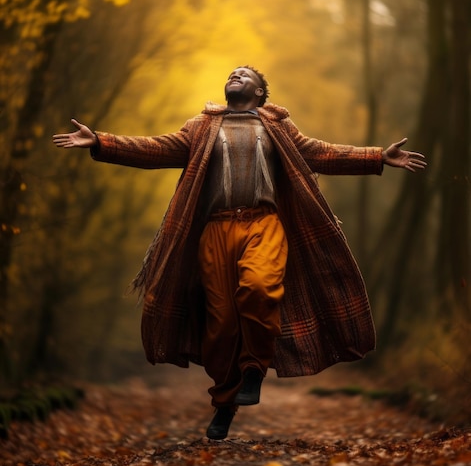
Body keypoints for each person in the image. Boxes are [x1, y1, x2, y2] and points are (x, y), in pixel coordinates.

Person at [53, 65, 426, 440]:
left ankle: (253, 370)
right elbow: (155, 148)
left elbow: (322, 153)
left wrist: (378, 157)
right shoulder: (200, 127)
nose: (235, 75)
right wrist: (100, 142)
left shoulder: (278, 127)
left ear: (261, 92)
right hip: (215, 230)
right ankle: (224, 404)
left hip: (264, 224)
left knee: (259, 289)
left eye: (245, 74)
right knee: (222, 324)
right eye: (232, 72)